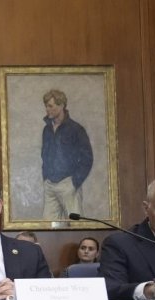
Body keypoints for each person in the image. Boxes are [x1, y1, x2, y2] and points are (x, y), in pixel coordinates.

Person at [41, 89, 93, 220]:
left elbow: (87, 158)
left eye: (50, 106)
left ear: (61, 105)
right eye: (46, 106)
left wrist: (74, 182)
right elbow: (44, 155)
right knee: (47, 226)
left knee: (75, 225)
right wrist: (45, 178)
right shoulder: (46, 130)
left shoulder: (76, 129)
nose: (47, 109)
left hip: (68, 184)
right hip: (50, 185)